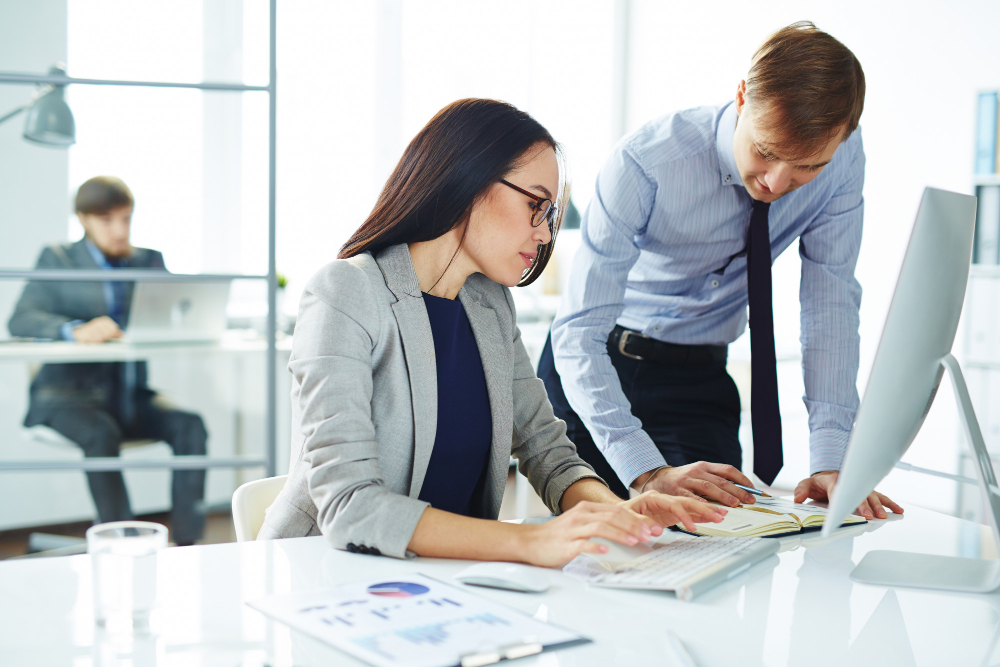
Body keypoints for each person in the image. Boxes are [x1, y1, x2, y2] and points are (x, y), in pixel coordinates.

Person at [257, 98, 727, 564]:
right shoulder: (346, 293)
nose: (544, 234)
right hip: (321, 577)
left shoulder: (490, 305)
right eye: (535, 205)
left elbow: (549, 453)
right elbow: (351, 506)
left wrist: (621, 513)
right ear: (470, 181)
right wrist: (530, 543)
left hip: (448, 585)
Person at [538, 22, 903, 520]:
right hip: (599, 368)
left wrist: (834, 458)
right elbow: (579, 332)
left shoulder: (840, 163)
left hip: (699, 377)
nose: (778, 182)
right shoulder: (644, 164)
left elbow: (830, 303)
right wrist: (646, 471)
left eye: (806, 168)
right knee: (593, 546)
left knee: (724, 538)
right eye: (767, 152)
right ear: (740, 99)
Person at [8, 176, 208, 546]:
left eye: (126, 219)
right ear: (83, 219)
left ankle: (186, 546)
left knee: (190, 426)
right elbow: (20, 319)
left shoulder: (148, 261)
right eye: (107, 220)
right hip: (66, 397)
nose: (119, 230)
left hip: (127, 395)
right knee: (101, 433)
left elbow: (175, 313)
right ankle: (124, 544)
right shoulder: (58, 258)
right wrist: (74, 329)